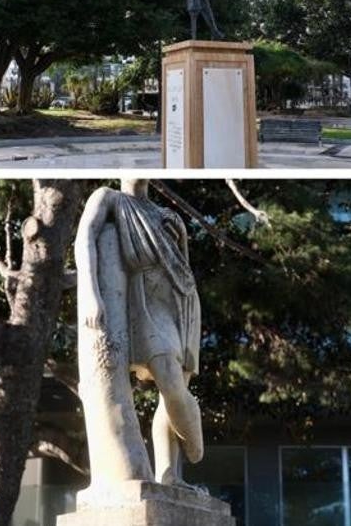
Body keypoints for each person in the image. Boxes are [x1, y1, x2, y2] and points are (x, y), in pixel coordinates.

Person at [75, 178, 203, 488]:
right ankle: (195, 437)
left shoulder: (163, 213)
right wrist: (91, 292)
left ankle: (169, 474)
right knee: (170, 381)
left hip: (182, 298)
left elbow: (181, 258)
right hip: (146, 300)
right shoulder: (109, 198)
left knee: (170, 392)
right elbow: (84, 239)